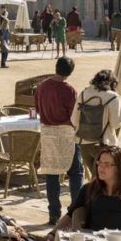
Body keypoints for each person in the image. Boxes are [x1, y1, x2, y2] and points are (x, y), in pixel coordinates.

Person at [35, 56, 83, 225]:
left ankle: (53, 213)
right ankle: (76, 210)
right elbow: (74, 115)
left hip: (47, 132)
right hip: (65, 133)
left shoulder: (42, 87)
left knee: (51, 173)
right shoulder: (69, 90)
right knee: (76, 172)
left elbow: (38, 108)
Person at [50, 146, 121, 233]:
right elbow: (70, 215)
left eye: (106, 164)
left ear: (120, 168)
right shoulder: (89, 189)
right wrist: (52, 234)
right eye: (99, 163)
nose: (101, 167)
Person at [72, 70, 121, 146]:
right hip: (104, 142)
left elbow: (74, 120)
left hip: (83, 142)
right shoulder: (113, 97)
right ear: (113, 83)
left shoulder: (84, 93)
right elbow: (116, 124)